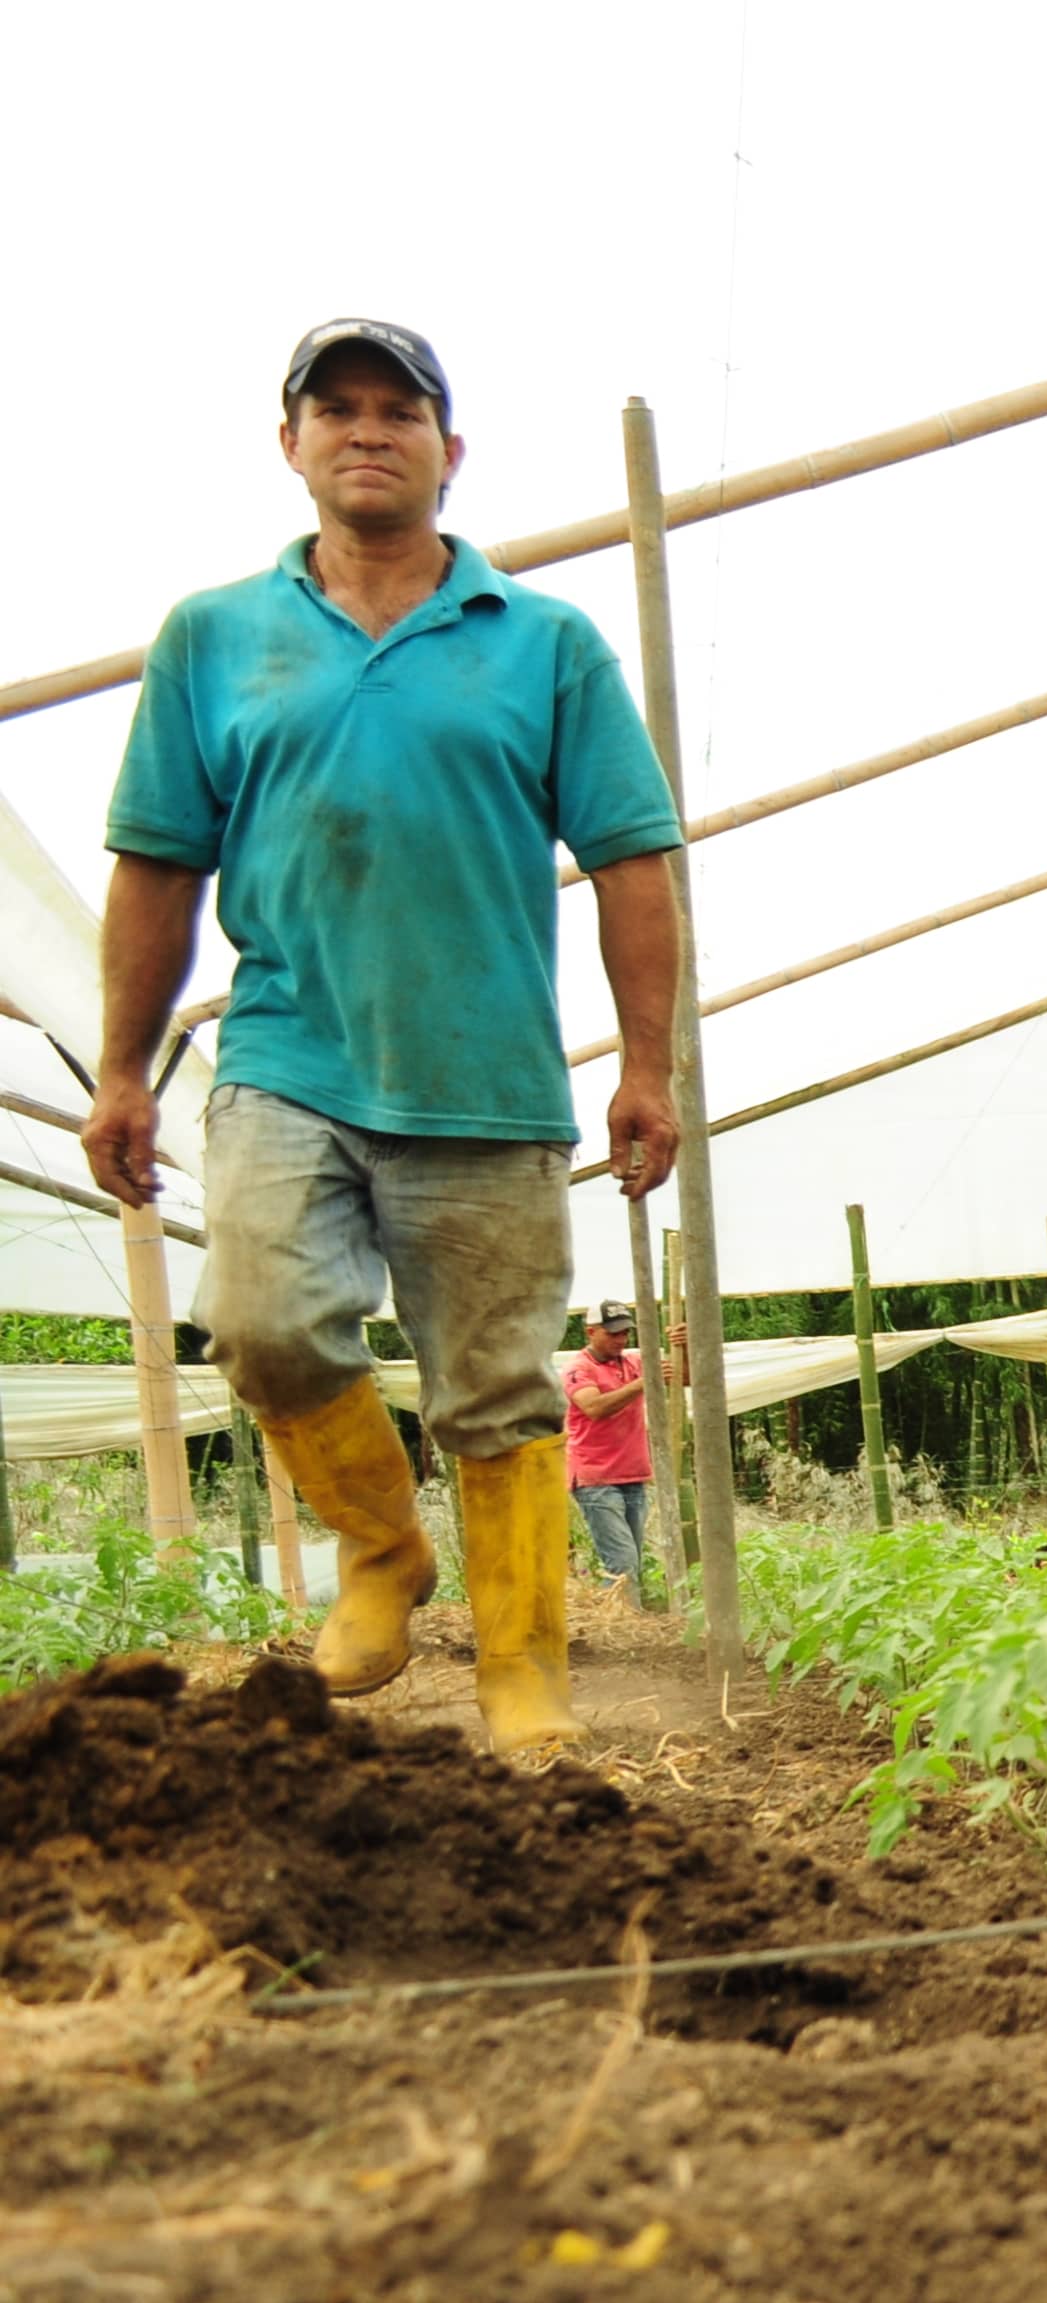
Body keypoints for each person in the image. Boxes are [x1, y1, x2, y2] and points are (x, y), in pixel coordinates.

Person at [82, 321, 687, 1753]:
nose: (368, 430)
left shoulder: (543, 644)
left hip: (486, 1080)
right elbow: (157, 864)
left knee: (495, 1388)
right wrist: (122, 1064)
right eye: (335, 409)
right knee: (263, 1320)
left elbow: (635, 860)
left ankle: (523, 1667)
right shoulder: (212, 639)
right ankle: (382, 1551)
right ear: (290, 443)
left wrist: (647, 1065)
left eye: (400, 411)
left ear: (448, 452)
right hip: (288, 1054)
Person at [562, 1302, 655, 1606]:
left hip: (633, 1473)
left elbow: (683, 1376)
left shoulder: (634, 1363)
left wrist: (683, 1343)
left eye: (626, 1333)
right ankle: (624, 1627)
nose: (621, 1339)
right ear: (590, 1332)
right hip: (596, 1478)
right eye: (613, 1333)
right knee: (622, 1562)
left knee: (632, 1561)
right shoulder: (579, 1369)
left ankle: (621, 1621)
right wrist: (643, 1384)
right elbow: (594, 1407)